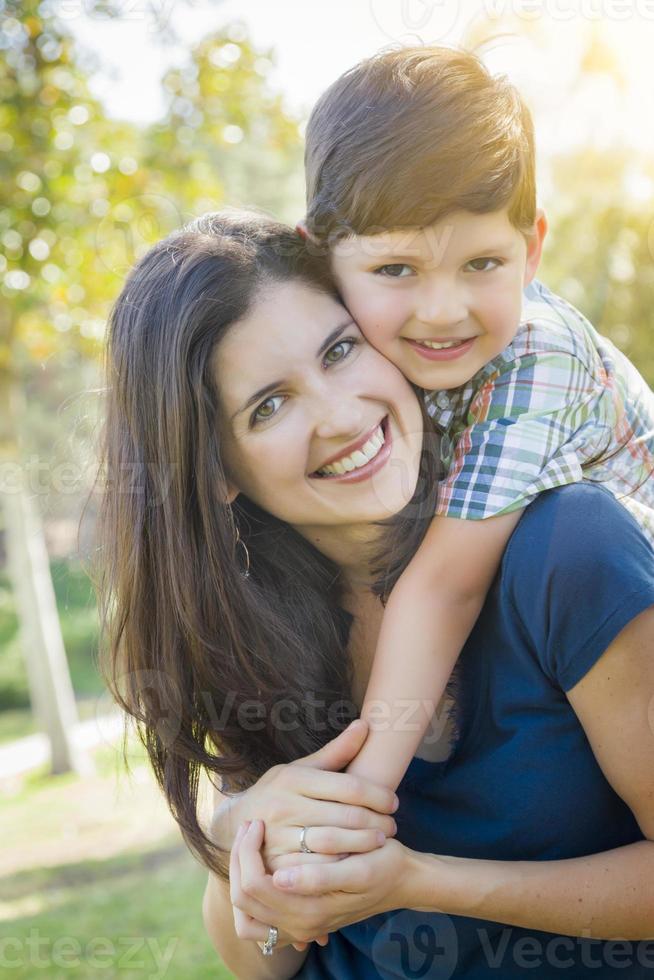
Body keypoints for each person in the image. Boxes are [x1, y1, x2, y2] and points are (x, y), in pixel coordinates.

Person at [98, 209, 654, 977]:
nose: (340, 415)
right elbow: (263, 964)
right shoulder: (248, 626)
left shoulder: (569, 550)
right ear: (218, 472)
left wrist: (425, 882)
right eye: (269, 405)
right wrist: (243, 835)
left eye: (340, 349)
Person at [291, 44, 654, 798]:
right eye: (397, 270)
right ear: (322, 263)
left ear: (532, 249)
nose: (444, 312)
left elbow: (445, 586)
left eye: (482, 264)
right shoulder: (371, 363)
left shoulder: (538, 358)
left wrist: (366, 793)